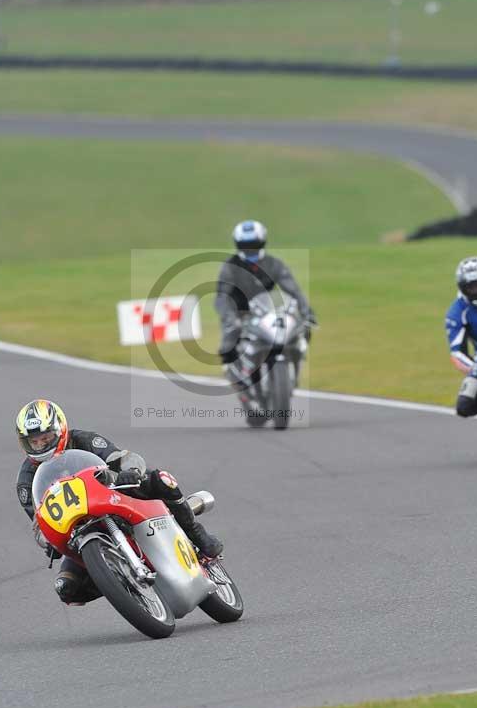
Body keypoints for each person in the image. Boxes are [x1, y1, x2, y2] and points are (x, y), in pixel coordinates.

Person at [16, 399, 223, 605]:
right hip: (78, 530)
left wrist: (129, 472)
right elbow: (39, 521)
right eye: (34, 441)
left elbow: (122, 456)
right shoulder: (26, 480)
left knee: (161, 480)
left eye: (45, 437)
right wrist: (48, 540)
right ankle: (118, 582)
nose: (41, 445)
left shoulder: (85, 440)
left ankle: (197, 533)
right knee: (66, 588)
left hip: (113, 494)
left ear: (60, 430)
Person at [214, 219, 317, 392]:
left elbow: (293, 289)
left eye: (254, 244)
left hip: (267, 309)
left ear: (262, 242)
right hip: (240, 313)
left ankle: (296, 364)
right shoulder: (230, 267)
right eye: (245, 245)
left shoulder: (274, 264)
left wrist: (307, 312)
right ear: (237, 244)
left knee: (302, 327)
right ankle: (230, 368)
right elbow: (222, 296)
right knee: (230, 336)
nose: (250, 249)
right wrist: (230, 318)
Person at [445, 256, 477, 417]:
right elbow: (457, 353)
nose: (476, 291)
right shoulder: (457, 313)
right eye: (470, 287)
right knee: (464, 406)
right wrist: (475, 369)